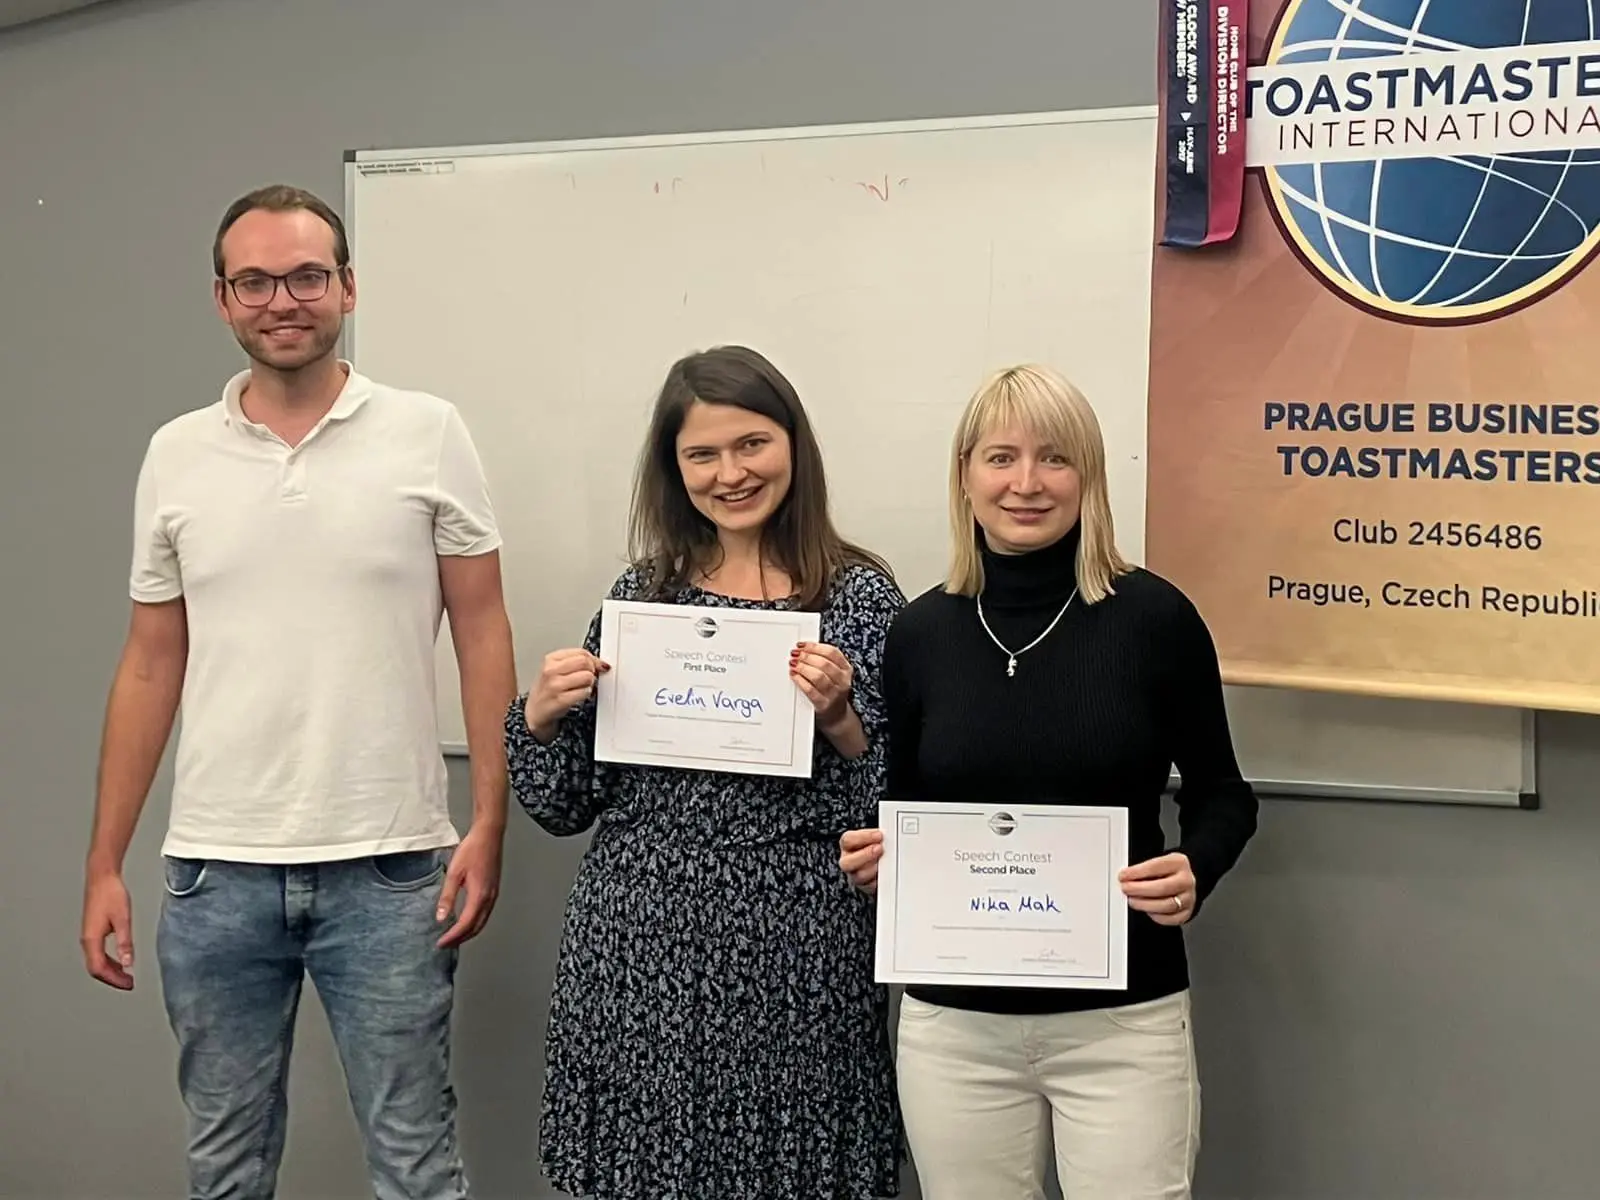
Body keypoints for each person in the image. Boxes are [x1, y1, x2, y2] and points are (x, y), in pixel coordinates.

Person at [79, 184, 517, 1200]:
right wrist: (104, 862)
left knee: (415, 1164)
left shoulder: (428, 432)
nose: (284, 300)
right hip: (215, 873)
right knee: (224, 1169)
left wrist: (490, 820)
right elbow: (149, 664)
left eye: (308, 276)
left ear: (348, 287)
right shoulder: (175, 453)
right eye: (256, 281)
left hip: (392, 867)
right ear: (223, 299)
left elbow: (483, 629)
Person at [838, 364, 1258, 1200]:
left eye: (1054, 458)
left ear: (1088, 476)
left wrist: (1196, 866)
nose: (1026, 483)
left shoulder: (1156, 620)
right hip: (954, 1028)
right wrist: (887, 859)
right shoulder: (920, 633)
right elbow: (907, 804)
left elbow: (1225, 793)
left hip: (1121, 1022)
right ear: (965, 475)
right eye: (1001, 458)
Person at [505, 345, 905, 1199]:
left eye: (752, 443)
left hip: (800, 953)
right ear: (674, 468)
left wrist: (840, 719)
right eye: (703, 454)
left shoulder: (862, 600)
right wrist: (540, 716)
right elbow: (565, 804)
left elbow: (895, 812)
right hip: (637, 945)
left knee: (795, 1172)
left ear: (793, 444)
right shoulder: (642, 597)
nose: (731, 473)